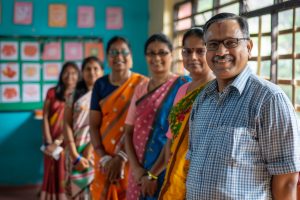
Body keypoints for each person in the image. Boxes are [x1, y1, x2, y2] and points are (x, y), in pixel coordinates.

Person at [186, 12, 300, 199]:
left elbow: (287, 180)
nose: (221, 52)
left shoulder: (269, 100)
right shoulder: (202, 99)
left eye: (231, 42)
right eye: (213, 45)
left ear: (248, 47)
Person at [124, 33, 190, 200]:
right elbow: (128, 131)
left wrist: (152, 174)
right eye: (151, 53)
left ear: (171, 54)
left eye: (162, 52)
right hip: (137, 169)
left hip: (165, 168)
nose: (156, 58)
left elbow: (177, 137)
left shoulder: (183, 86)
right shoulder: (140, 88)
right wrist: (138, 171)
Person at [158, 27, 215, 200]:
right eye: (187, 51)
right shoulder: (183, 89)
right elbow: (172, 137)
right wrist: (171, 168)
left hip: (201, 177)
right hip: (175, 172)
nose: (193, 57)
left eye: (200, 51)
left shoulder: (216, 90)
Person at [89, 36, 146, 200]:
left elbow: (143, 127)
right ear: (107, 58)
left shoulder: (142, 84)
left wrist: (122, 156)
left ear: (131, 58)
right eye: (113, 52)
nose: (119, 57)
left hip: (132, 157)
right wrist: (104, 157)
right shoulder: (100, 85)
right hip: (103, 159)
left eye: (123, 52)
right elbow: (93, 125)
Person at [64, 56, 104, 199]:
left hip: (95, 151)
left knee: (93, 193)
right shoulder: (72, 94)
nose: (92, 72)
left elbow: (103, 126)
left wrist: (90, 149)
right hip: (74, 149)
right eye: (88, 69)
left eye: (95, 68)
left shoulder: (106, 95)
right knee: (75, 193)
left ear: (102, 71)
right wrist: (74, 154)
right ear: (82, 72)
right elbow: (67, 124)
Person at [41, 61, 80, 200]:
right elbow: (45, 116)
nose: (70, 76)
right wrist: (49, 142)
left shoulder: (80, 95)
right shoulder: (52, 92)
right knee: (50, 172)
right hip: (50, 139)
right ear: (61, 75)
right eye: (66, 72)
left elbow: (73, 123)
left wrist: (57, 143)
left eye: (74, 73)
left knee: (65, 173)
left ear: (79, 76)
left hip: (70, 141)